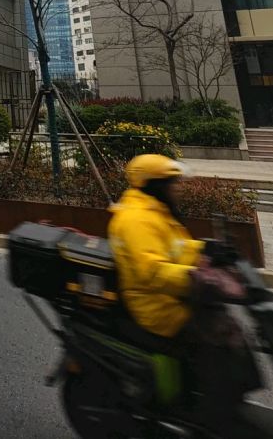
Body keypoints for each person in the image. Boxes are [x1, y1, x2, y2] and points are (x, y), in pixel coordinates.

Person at [106, 154, 258, 433]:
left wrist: (206, 250)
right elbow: (153, 271)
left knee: (229, 327)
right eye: (173, 183)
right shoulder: (135, 220)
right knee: (216, 339)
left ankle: (218, 400)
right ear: (155, 185)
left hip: (172, 296)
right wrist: (196, 279)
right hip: (156, 305)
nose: (179, 187)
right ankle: (213, 417)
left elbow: (177, 248)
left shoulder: (156, 212)